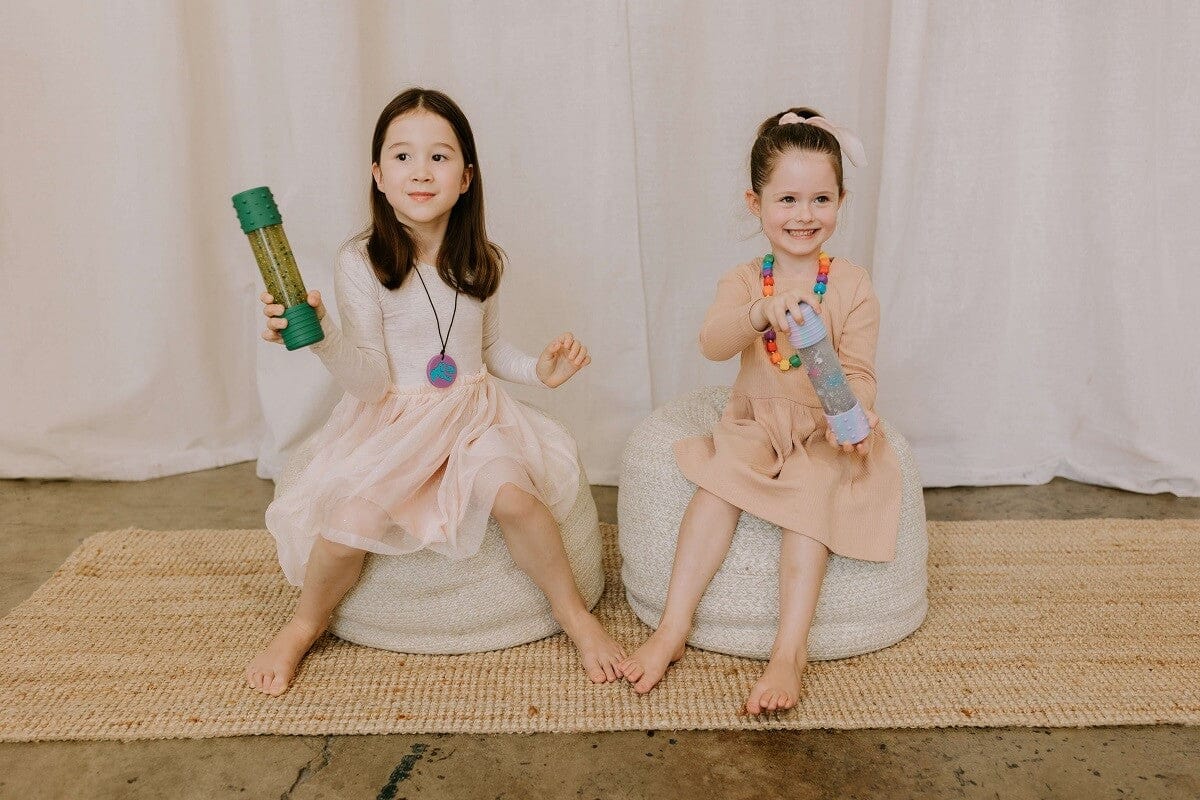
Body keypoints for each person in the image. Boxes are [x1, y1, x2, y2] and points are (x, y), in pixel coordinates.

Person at [246, 88, 625, 696]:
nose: (420, 171)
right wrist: (321, 338)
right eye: (401, 157)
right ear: (377, 174)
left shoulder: (482, 259)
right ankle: (303, 624)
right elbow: (369, 378)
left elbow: (489, 351)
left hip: (472, 413)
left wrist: (539, 371)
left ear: (467, 176)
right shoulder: (361, 262)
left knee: (518, 500)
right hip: (395, 420)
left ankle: (576, 617)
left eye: (440, 157)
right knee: (348, 526)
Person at [619, 108, 902, 715]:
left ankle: (788, 651)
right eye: (788, 199)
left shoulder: (851, 285)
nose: (804, 215)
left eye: (821, 199)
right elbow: (713, 342)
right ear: (756, 203)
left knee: (808, 507)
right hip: (754, 420)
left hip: (820, 429)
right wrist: (758, 313)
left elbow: (859, 373)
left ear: (841, 201)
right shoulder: (747, 280)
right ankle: (672, 628)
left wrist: (852, 416)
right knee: (715, 490)